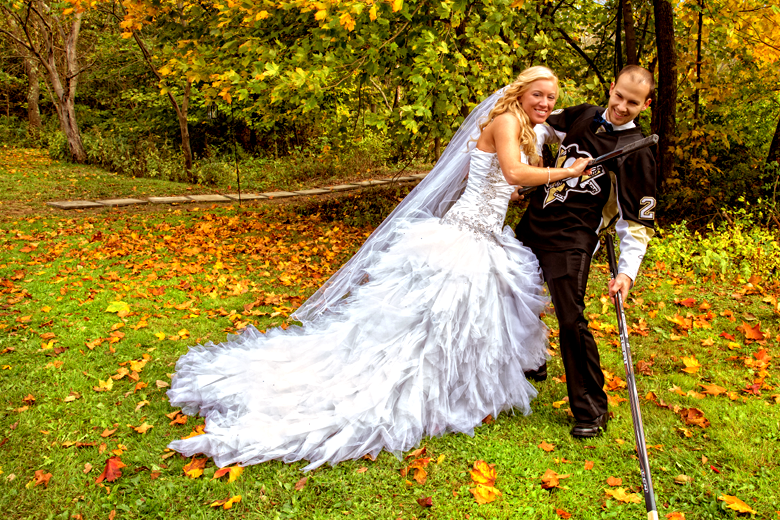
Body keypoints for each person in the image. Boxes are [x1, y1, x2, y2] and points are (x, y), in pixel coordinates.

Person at [166, 66, 590, 471]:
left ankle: (453, 385)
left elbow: (504, 180)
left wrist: (514, 192)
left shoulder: (523, 127)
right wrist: (563, 172)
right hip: (463, 235)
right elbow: (515, 170)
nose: (545, 102)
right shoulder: (506, 123)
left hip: (486, 234)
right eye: (539, 94)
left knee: (462, 319)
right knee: (429, 319)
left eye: (551, 97)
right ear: (520, 93)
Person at [515, 65, 657, 438]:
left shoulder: (637, 152)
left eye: (633, 102)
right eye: (619, 96)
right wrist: (533, 159)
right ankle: (532, 360)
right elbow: (543, 126)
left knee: (570, 318)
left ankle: (590, 409)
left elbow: (636, 224)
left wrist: (626, 272)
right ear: (611, 88)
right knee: (512, 292)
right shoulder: (585, 114)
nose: (622, 107)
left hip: (573, 236)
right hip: (536, 218)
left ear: (646, 104)